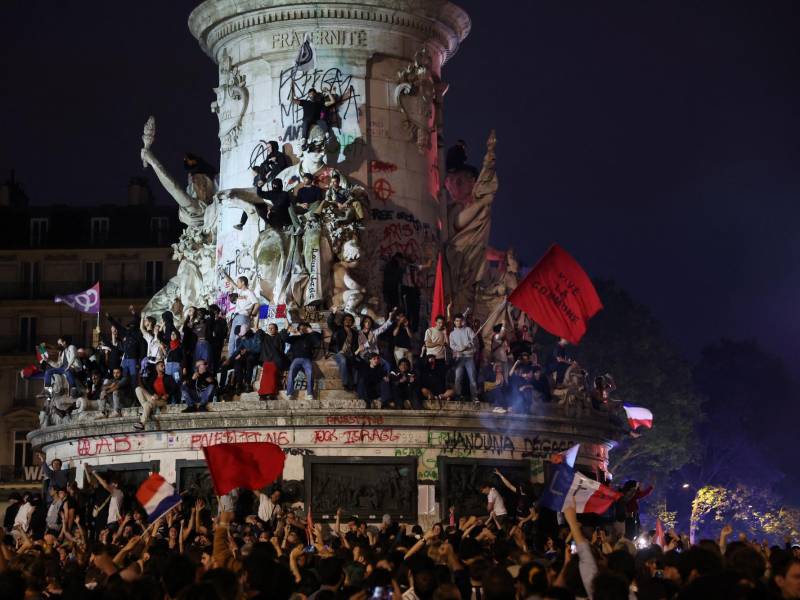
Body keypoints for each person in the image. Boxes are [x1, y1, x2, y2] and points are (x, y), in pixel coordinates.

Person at [222, 274, 259, 357]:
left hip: (243, 316)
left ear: (243, 282)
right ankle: (230, 359)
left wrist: (252, 314)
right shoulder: (239, 291)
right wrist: (225, 274)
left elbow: (257, 304)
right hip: (236, 316)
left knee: (237, 339)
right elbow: (231, 282)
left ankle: (237, 358)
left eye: (238, 282)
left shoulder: (249, 292)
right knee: (231, 339)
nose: (237, 283)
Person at [134, 359, 177, 430]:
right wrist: (153, 394)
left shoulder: (168, 377)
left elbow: (174, 388)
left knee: (148, 404)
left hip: (162, 400)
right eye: (161, 366)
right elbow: (148, 387)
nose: (164, 367)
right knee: (138, 389)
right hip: (154, 398)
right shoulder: (153, 378)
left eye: (164, 366)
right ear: (156, 367)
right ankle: (145, 412)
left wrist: (168, 394)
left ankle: (142, 420)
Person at [282, 322, 322, 398]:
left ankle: (310, 393)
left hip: (307, 359)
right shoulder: (295, 338)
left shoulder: (311, 337)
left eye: (304, 328)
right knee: (291, 374)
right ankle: (289, 393)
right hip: (296, 359)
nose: (302, 329)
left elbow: (317, 341)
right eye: (300, 328)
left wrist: (311, 331)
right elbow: (284, 338)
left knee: (310, 374)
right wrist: (287, 330)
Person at [449, 314, 479, 404]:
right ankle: (458, 396)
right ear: (454, 322)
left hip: (469, 357)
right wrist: (460, 349)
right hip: (459, 358)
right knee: (458, 378)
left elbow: (475, 341)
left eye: (460, 321)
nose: (459, 322)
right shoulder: (452, 334)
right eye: (457, 321)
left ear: (463, 321)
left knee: (472, 378)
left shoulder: (468, 330)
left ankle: (474, 397)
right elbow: (452, 346)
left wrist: (471, 344)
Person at [327, 306, 359, 391]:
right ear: (343, 321)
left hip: (350, 353)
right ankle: (345, 383)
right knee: (343, 360)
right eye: (346, 319)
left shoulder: (354, 333)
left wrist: (356, 354)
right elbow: (330, 322)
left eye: (350, 320)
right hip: (337, 352)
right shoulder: (337, 329)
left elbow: (356, 346)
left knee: (357, 361)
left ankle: (355, 384)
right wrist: (333, 313)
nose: (348, 321)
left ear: (352, 322)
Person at [257, 323, 287, 400]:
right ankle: (263, 394)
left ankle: (271, 392)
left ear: (276, 329)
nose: (270, 329)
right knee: (265, 374)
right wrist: (257, 317)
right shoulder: (265, 337)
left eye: (272, 328)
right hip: (267, 360)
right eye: (269, 328)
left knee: (272, 373)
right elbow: (257, 328)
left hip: (277, 360)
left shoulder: (279, 337)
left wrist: (286, 316)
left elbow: (286, 328)